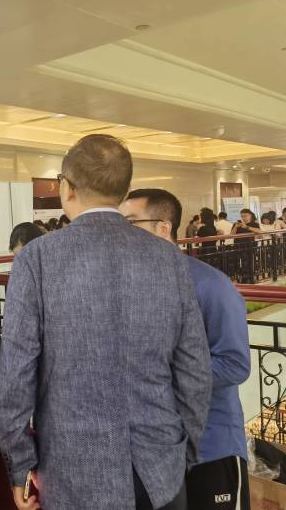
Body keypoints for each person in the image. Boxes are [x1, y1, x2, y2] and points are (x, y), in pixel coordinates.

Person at [0, 134, 211, 510]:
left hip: (72, 475)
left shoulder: (37, 259)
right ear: (124, 190)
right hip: (160, 471)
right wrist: (183, 452)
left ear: (67, 187)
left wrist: (20, 466)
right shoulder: (170, 259)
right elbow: (195, 371)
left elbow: (16, 375)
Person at [121, 189, 251, 510]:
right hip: (153, 450)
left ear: (163, 228)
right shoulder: (127, 285)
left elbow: (235, 364)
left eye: (130, 223)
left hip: (211, 446)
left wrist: (163, 375)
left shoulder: (210, 286)